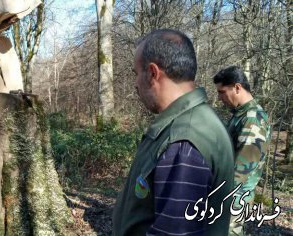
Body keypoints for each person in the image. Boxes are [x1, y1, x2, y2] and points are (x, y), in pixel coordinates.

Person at [112, 29, 234, 235]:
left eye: (136, 73)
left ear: (152, 73)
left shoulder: (184, 139)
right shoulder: (194, 123)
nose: (134, 84)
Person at [213, 66, 271, 235]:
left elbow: (240, 171)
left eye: (222, 92)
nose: (219, 98)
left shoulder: (253, 120)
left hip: (234, 202)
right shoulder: (240, 115)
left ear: (237, 87)